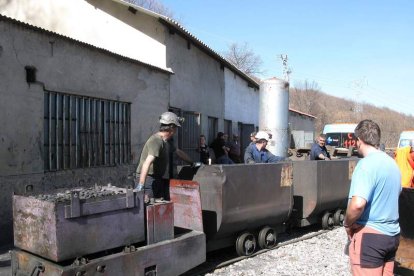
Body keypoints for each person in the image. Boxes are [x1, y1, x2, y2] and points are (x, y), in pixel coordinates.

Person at [344, 119, 401, 276]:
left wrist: (347, 223)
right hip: (392, 236)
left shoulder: (366, 165)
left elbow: (357, 205)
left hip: (371, 239)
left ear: (359, 141)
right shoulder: (392, 164)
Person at [135, 111, 194, 201]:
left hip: (157, 178)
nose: (176, 130)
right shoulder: (156, 140)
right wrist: (141, 185)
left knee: (158, 206)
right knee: (148, 208)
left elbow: (178, 152)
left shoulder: (167, 142)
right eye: (176, 128)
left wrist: (192, 162)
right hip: (148, 180)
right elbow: (147, 162)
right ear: (172, 128)